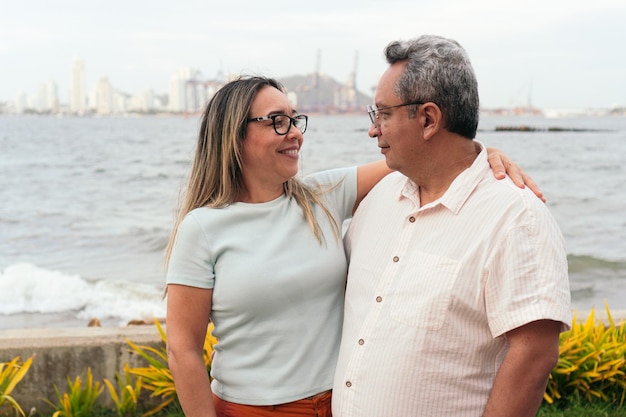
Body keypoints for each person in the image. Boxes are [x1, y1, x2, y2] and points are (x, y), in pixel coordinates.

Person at [164, 75, 541, 417]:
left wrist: (483, 152)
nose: (295, 133)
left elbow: (425, 156)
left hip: (339, 405)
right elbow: (183, 349)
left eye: (296, 120)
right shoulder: (202, 228)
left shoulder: (322, 195)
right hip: (249, 410)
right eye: (278, 121)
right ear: (233, 134)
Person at [332, 35, 571, 417]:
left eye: (383, 114)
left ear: (428, 119)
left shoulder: (515, 216)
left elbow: (534, 354)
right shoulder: (378, 197)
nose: (373, 130)